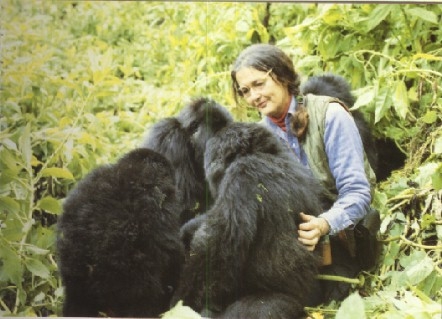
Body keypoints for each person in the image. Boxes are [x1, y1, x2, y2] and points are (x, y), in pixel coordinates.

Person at [230, 43, 376, 303]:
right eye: (245, 91)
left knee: (320, 299)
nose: (254, 96)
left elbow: (358, 193)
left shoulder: (330, 115)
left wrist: (324, 224)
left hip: (341, 236)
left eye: (259, 83)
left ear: (283, 76)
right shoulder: (257, 138)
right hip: (293, 247)